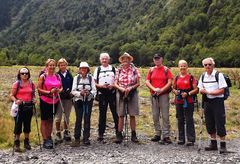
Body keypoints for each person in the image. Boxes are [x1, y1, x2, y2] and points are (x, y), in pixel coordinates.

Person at [198, 57, 228, 153]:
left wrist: (209, 92)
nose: (207, 66)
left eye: (209, 64)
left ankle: (223, 145)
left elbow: (222, 90)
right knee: (209, 122)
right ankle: (213, 144)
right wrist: (202, 91)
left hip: (218, 101)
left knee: (220, 122)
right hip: (207, 102)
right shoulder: (203, 76)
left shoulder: (218, 75)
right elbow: (200, 88)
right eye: (205, 65)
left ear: (213, 65)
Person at [145, 53, 173, 144]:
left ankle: (166, 135)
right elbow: (147, 81)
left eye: (158, 58)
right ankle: (157, 133)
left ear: (162, 59)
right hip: (154, 94)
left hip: (163, 94)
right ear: (153, 60)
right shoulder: (151, 70)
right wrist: (153, 89)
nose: (157, 60)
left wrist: (161, 90)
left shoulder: (166, 70)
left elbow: (169, 82)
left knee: (165, 115)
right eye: (155, 59)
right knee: (155, 115)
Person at [114, 52, 140, 144]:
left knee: (132, 114)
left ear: (129, 60)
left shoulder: (134, 69)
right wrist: (121, 88)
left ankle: (133, 134)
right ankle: (119, 134)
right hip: (121, 92)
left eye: (127, 59)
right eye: (124, 59)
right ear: (122, 60)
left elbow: (138, 83)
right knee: (121, 114)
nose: (125, 61)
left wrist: (130, 88)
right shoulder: (118, 70)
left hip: (132, 92)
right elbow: (115, 83)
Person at [38, 59, 63, 149]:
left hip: (55, 100)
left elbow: (61, 87)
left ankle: (49, 137)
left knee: (51, 119)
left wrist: (59, 90)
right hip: (45, 100)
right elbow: (39, 89)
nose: (52, 67)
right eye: (50, 65)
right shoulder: (43, 76)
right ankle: (45, 140)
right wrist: (49, 92)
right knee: (44, 120)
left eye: (53, 65)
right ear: (47, 66)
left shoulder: (57, 76)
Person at [172, 60, 198, 146]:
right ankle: (181, 138)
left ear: (187, 67)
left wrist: (188, 93)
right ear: (178, 67)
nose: (182, 67)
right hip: (179, 100)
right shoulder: (177, 78)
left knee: (189, 119)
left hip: (189, 100)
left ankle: (191, 139)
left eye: (184, 66)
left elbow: (196, 89)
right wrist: (175, 93)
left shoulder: (191, 77)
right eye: (181, 66)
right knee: (180, 119)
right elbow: (173, 88)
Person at [10, 67, 36, 152]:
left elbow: (33, 94)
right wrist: (16, 100)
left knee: (27, 124)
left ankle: (26, 142)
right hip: (19, 107)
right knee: (18, 124)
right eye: (22, 73)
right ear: (19, 74)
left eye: (26, 73)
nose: (24, 75)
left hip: (29, 106)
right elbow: (11, 95)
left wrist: (34, 99)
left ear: (28, 74)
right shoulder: (16, 84)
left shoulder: (31, 83)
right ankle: (17, 143)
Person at [93, 53, 118, 142]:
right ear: (100, 60)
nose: (104, 60)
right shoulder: (98, 69)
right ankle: (101, 134)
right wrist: (101, 86)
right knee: (102, 114)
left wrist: (113, 85)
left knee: (115, 113)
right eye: (103, 59)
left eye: (106, 59)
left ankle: (118, 133)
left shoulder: (113, 69)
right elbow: (94, 82)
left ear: (109, 60)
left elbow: (117, 80)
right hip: (102, 93)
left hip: (112, 92)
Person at [71, 62, 96, 146]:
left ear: (87, 69)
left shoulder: (91, 78)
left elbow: (94, 90)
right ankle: (77, 138)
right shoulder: (76, 78)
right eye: (82, 68)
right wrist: (80, 93)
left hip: (88, 101)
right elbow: (73, 91)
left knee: (87, 118)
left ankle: (86, 138)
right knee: (78, 119)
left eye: (85, 68)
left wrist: (89, 93)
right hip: (79, 101)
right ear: (79, 69)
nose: (83, 70)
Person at [55, 58, 73, 142]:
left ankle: (66, 132)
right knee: (58, 117)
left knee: (67, 116)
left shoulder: (69, 74)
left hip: (68, 98)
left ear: (66, 65)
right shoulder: (56, 75)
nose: (62, 66)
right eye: (61, 65)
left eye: (64, 65)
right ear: (58, 66)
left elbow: (73, 85)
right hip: (59, 98)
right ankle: (58, 132)